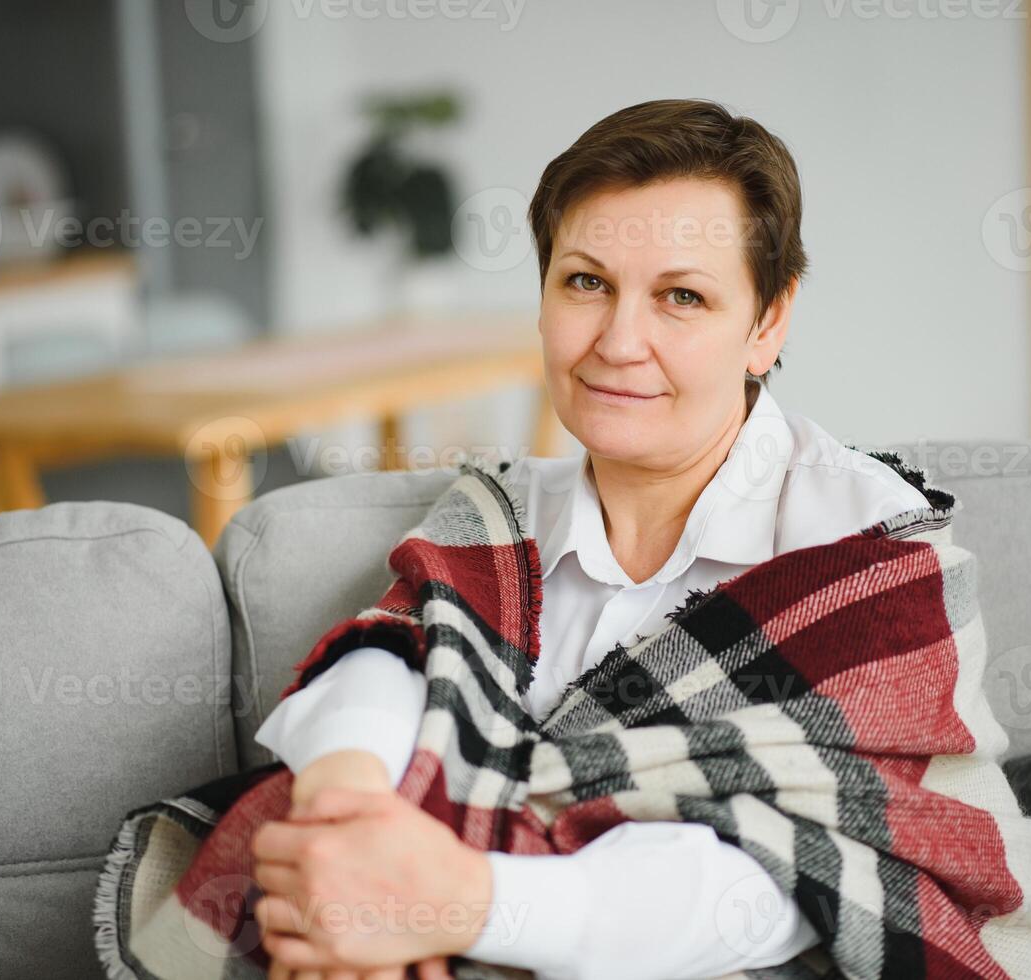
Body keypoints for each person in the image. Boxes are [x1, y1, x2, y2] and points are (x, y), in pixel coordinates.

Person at [249, 98, 932, 980]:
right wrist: (348, 827)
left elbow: (791, 876)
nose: (617, 341)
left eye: (681, 296)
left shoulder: (863, 541)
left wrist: (450, 901)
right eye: (585, 282)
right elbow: (390, 659)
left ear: (767, 323)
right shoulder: (498, 513)